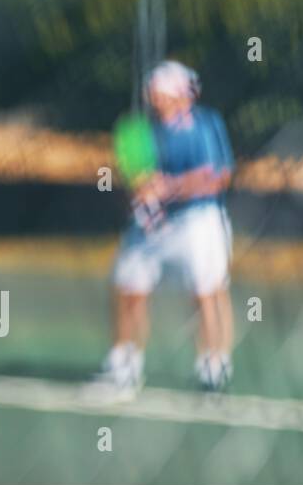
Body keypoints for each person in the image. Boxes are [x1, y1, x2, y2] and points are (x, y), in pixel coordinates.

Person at [99, 60, 237, 393]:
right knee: (129, 287)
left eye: (160, 92)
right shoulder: (141, 130)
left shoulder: (205, 125)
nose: (154, 98)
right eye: (153, 92)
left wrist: (171, 186)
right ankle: (124, 362)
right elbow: (136, 181)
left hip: (198, 220)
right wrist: (142, 191)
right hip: (152, 224)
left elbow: (218, 176)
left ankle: (213, 364)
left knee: (207, 292)